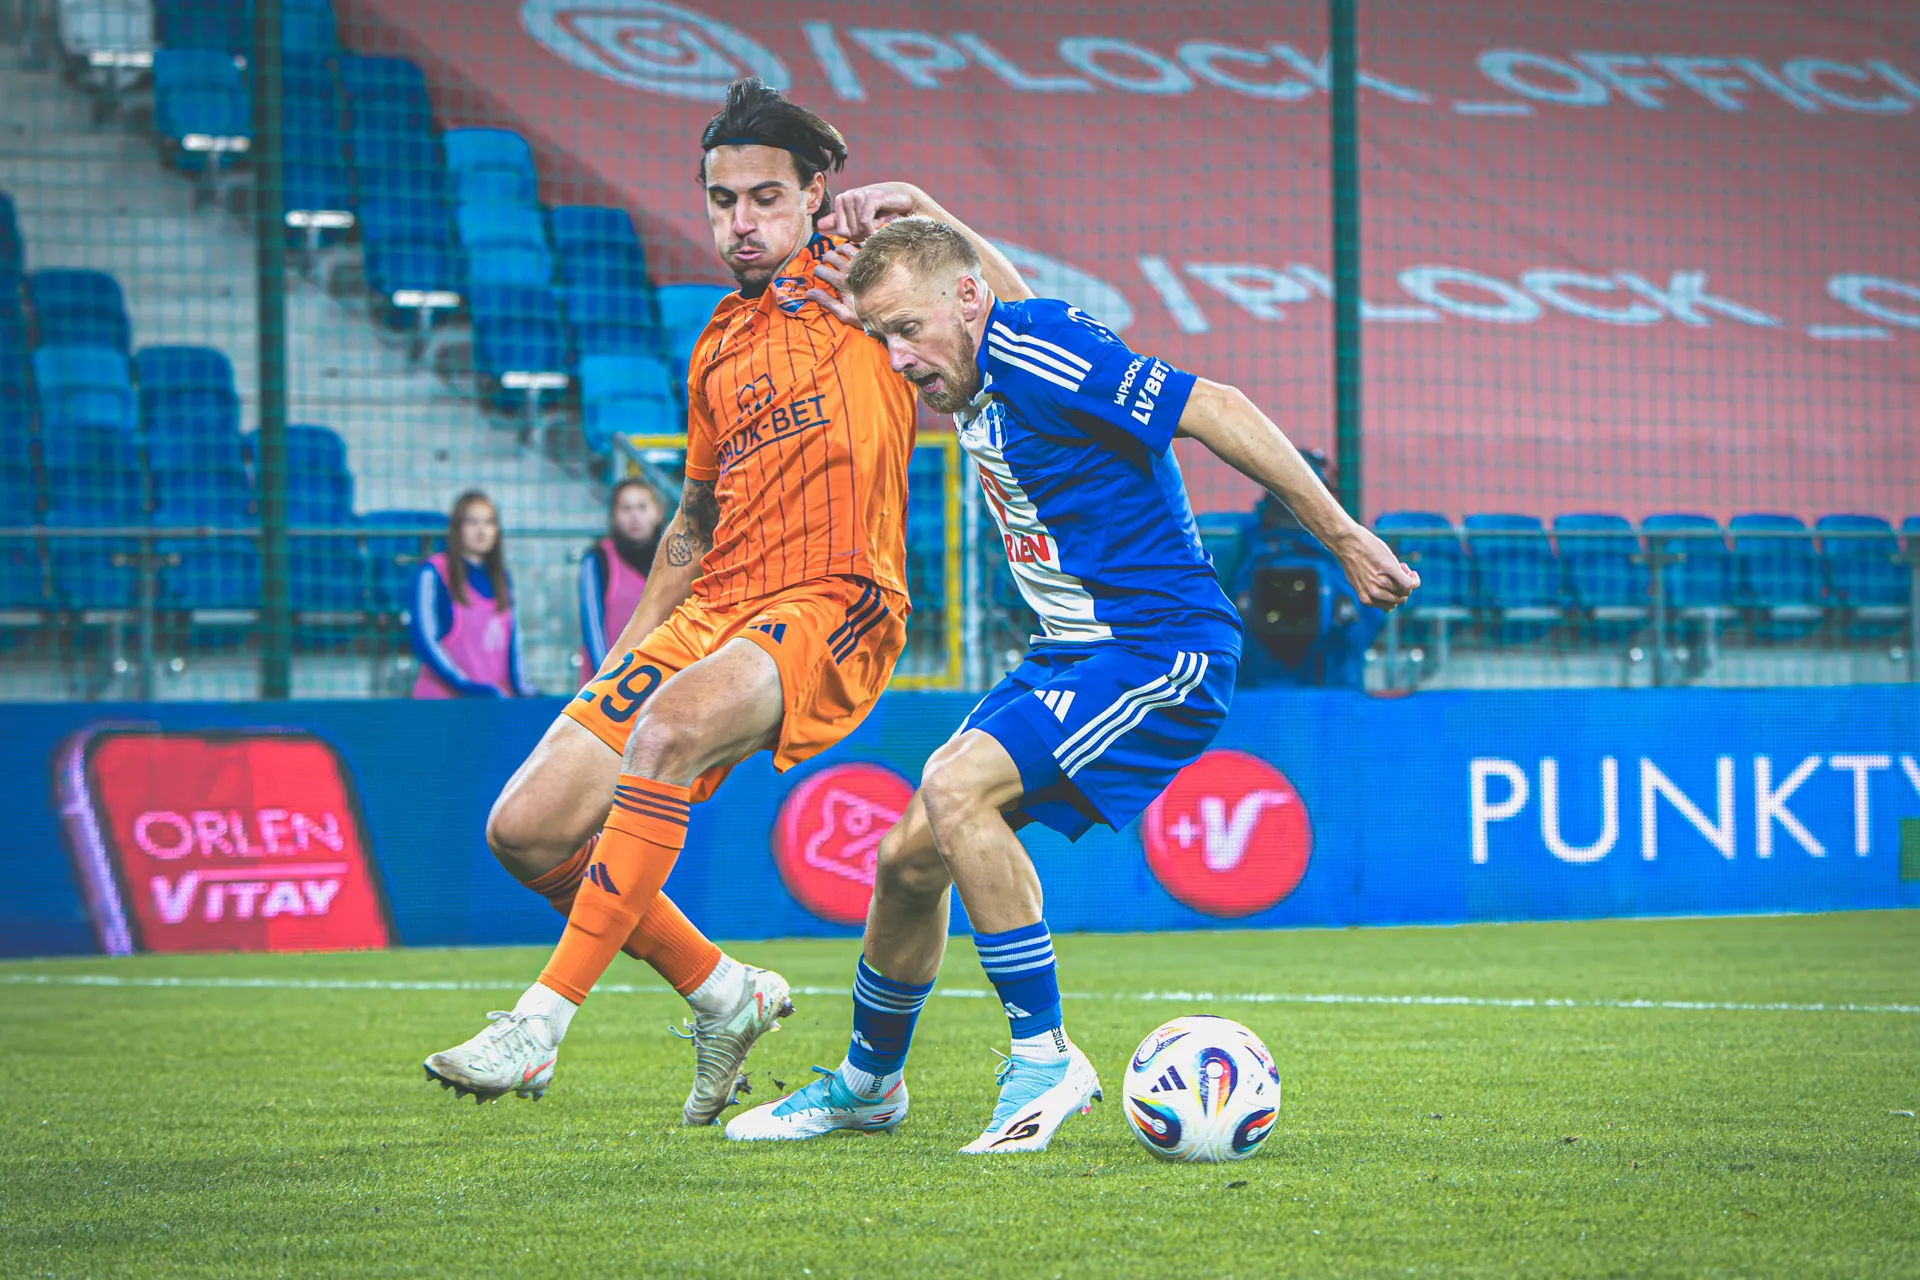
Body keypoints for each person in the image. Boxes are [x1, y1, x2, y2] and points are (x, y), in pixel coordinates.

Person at [725, 189, 1418, 1153]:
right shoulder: (989, 348)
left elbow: (1216, 406)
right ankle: (868, 1085)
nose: (896, 358)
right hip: (1073, 652)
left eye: (907, 329)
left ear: (965, 301)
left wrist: (1342, 537)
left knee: (955, 788)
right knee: (906, 860)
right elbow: (995, 295)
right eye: (880, 336)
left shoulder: (1041, 350)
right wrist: (924, 210)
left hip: (1159, 647)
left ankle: (1044, 1060)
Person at [422, 80, 918, 1125]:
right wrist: (627, 652)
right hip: (715, 605)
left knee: (668, 730)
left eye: (766, 198)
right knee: (526, 827)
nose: (742, 222)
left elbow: (1007, 308)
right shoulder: (716, 344)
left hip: (834, 596)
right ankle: (725, 994)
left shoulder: (870, 287)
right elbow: (692, 523)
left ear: (814, 194)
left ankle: (538, 1027)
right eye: (722, 200)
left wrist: (925, 213)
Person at [409, 491, 537, 699]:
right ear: (457, 528)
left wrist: (522, 689)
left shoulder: (501, 578)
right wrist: (465, 686)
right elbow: (425, 642)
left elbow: (513, 643)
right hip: (444, 704)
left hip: (491, 705)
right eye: (472, 522)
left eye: (489, 522)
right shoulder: (433, 572)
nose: (481, 530)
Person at [578, 478, 665, 685]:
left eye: (642, 507)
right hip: (607, 686)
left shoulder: (673, 560)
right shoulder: (598, 559)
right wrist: (606, 679)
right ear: (614, 516)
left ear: (658, 513)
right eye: (626, 509)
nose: (634, 516)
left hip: (661, 682)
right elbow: (593, 628)